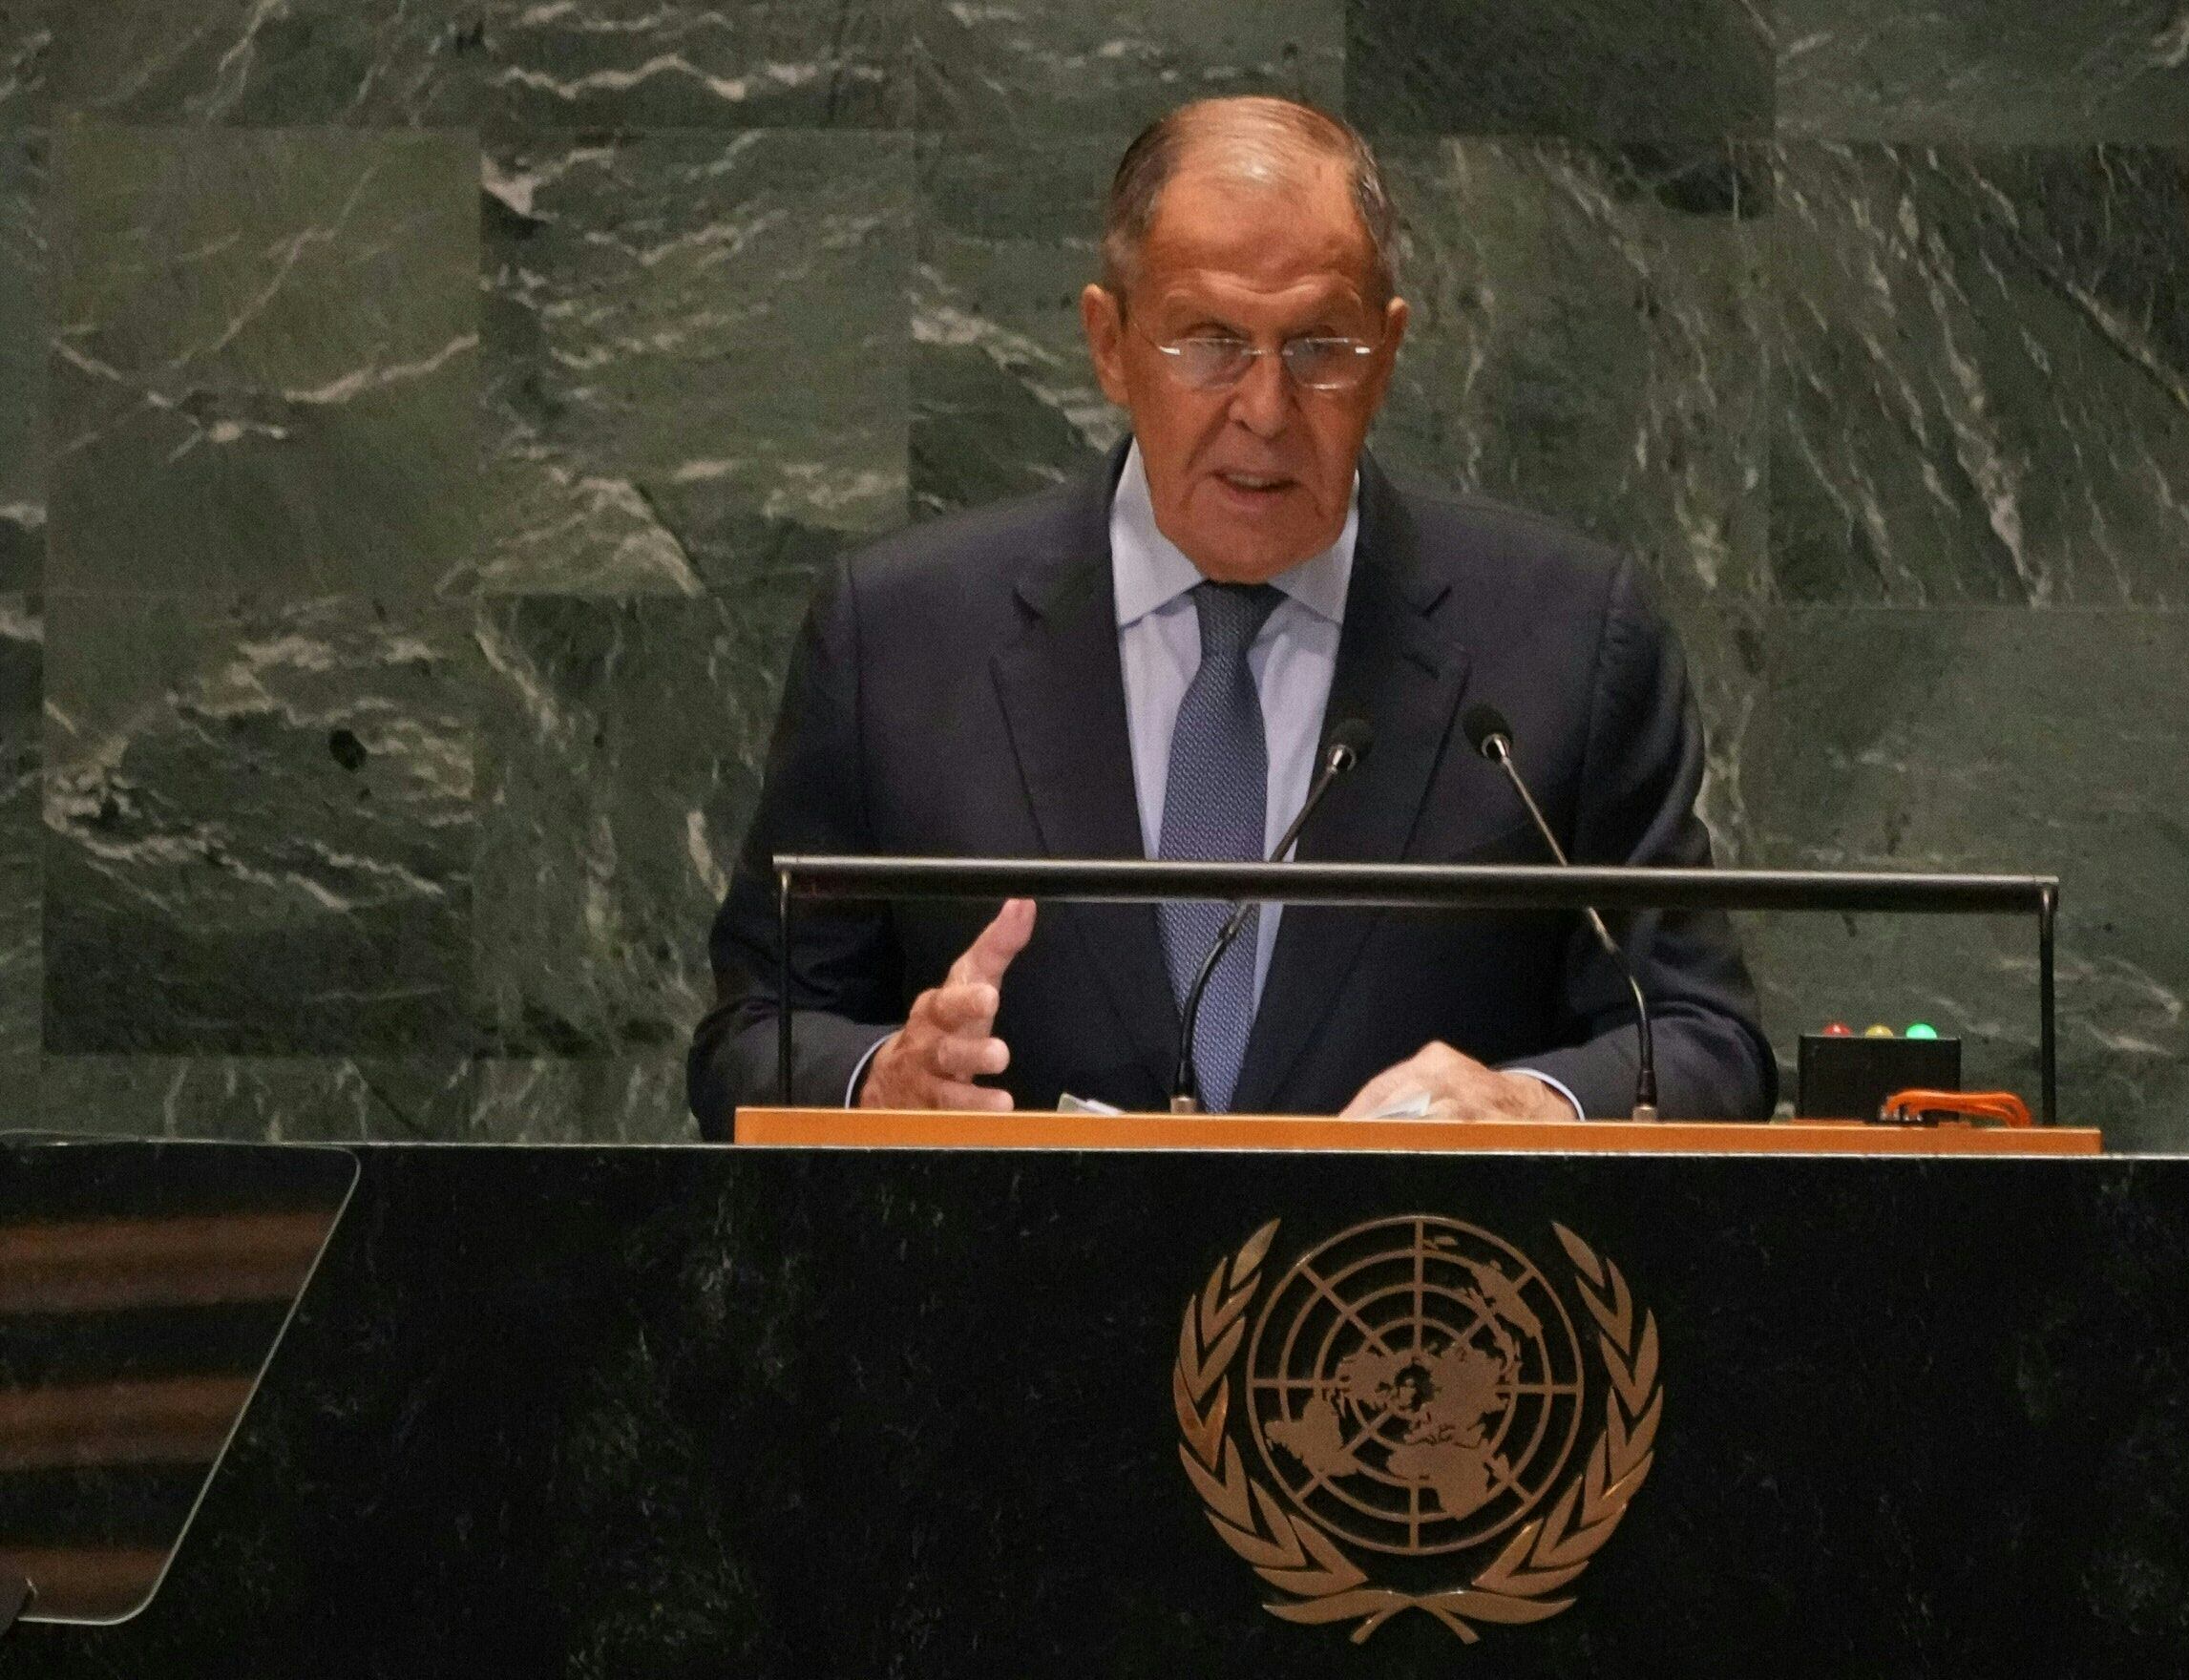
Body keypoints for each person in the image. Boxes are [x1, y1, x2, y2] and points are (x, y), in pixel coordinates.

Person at [687, 95, 1774, 1139]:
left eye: (1318, 347)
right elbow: (752, 1036)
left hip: (1398, 1266)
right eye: (1208, 341)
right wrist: (884, 1081)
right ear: (1108, 343)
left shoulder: (1566, 637)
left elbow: (1703, 1037)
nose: (1264, 409)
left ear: (1386, 353)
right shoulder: (899, 636)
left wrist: (1529, 1105)